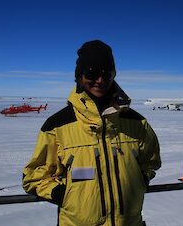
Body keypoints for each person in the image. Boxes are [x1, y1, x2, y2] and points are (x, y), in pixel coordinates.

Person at [22, 40, 161, 226]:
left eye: (106, 73)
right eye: (92, 73)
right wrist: (64, 195)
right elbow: (34, 177)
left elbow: (150, 162)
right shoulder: (57, 125)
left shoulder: (136, 122)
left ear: (114, 75)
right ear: (79, 76)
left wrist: (140, 181)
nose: (100, 80)